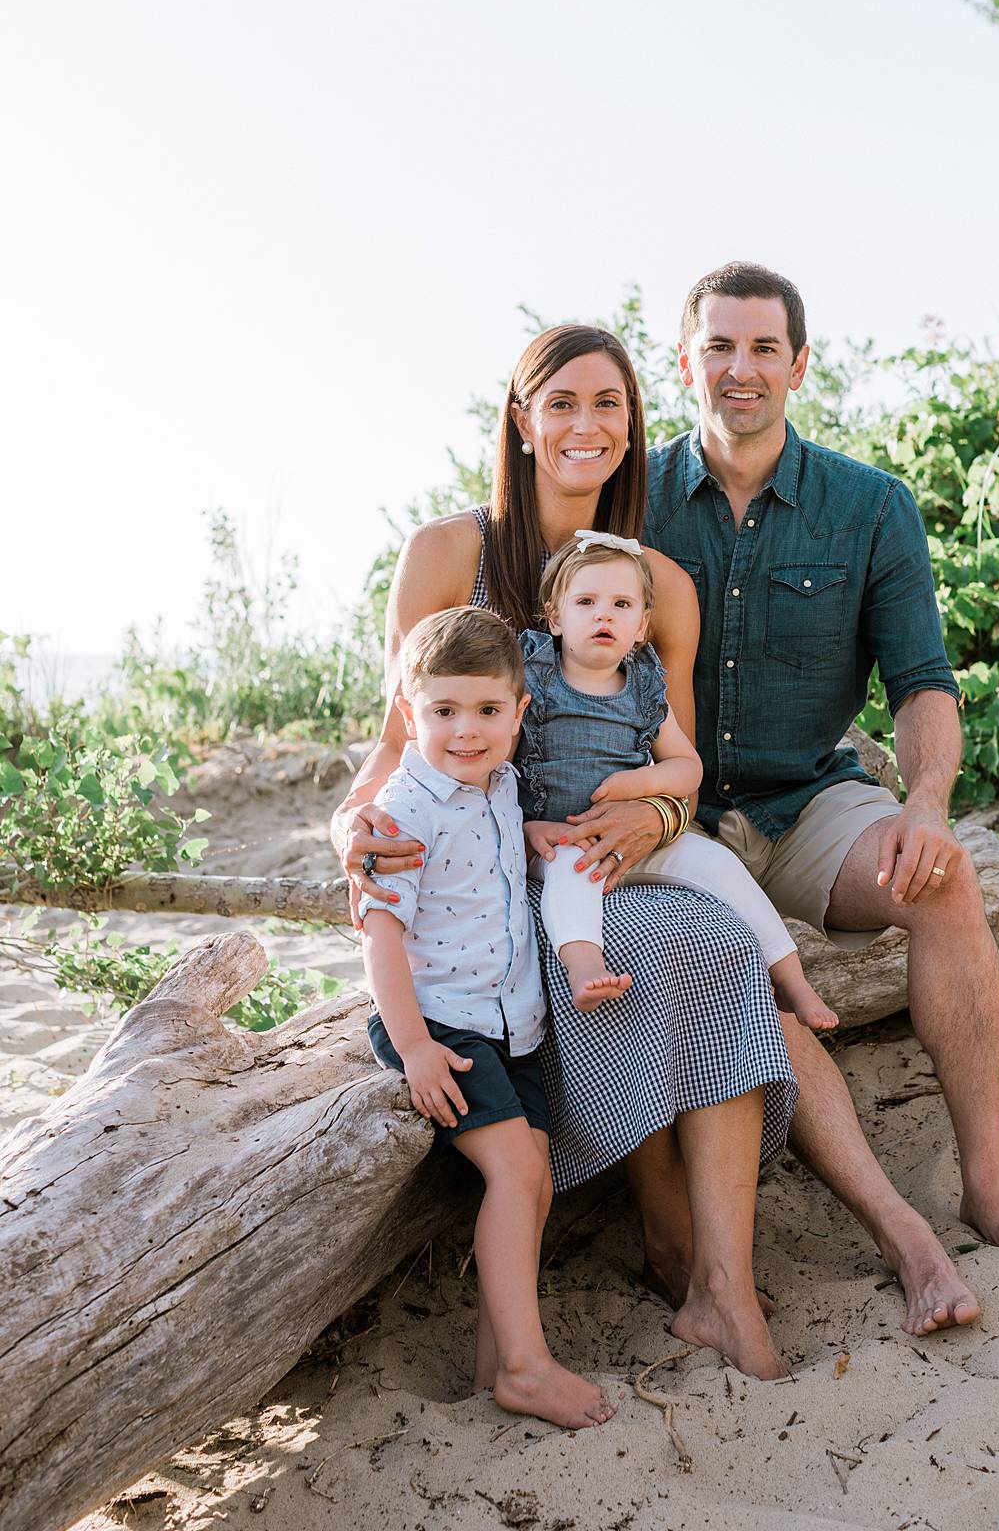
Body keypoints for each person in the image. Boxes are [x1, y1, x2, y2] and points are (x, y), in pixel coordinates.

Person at [560, 262, 999, 1335]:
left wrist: (924, 801)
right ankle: (897, 1233)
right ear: (686, 363)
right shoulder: (623, 505)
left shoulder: (870, 507)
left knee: (947, 878)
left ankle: (984, 1173)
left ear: (799, 363)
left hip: (809, 800)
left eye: (763, 348)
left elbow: (923, 683)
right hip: (667, 820)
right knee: (749, 986)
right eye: (719, 347)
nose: (741, 369)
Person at [333, 323, 797, 1380]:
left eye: (611, 406)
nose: (588, 425)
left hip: (599, 848)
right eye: (564, 402)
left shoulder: (657, 583)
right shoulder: (448, 554)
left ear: (636, 428)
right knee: (646, 949)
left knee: (710, 939)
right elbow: (395, 742)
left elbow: (672, 764)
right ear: (520, 417)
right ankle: (668, 1229)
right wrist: (349, 830)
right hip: (476, 883)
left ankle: (721, 1279)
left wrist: (659, 820)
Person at [360, 606, 618, 1429]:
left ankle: (492, 1367)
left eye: (485, 711)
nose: (465, 732)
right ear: (410, 714)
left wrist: (531, 831)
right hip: (441, 1027)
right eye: (442, 712)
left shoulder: (500, 785)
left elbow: (494, 852)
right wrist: (414, 1050)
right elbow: (380, 937)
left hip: (516, 1025)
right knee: (513, 1173)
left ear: (519, 711)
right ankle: (527, 1367)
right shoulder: (405, 810)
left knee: (534, 1182)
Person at [518, 531, 837, 1029]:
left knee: (718, 862)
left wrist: (634, 785)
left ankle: (794, 983)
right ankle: (584, 969)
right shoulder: (533, 680)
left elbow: (688, 768)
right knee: (570, 875)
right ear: (555, 618)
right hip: (562, 839)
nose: (604, 614)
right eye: (586, 602)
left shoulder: (644, 689)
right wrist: (525, 830)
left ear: (642, 625)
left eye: (621, 604)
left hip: (640, 833)